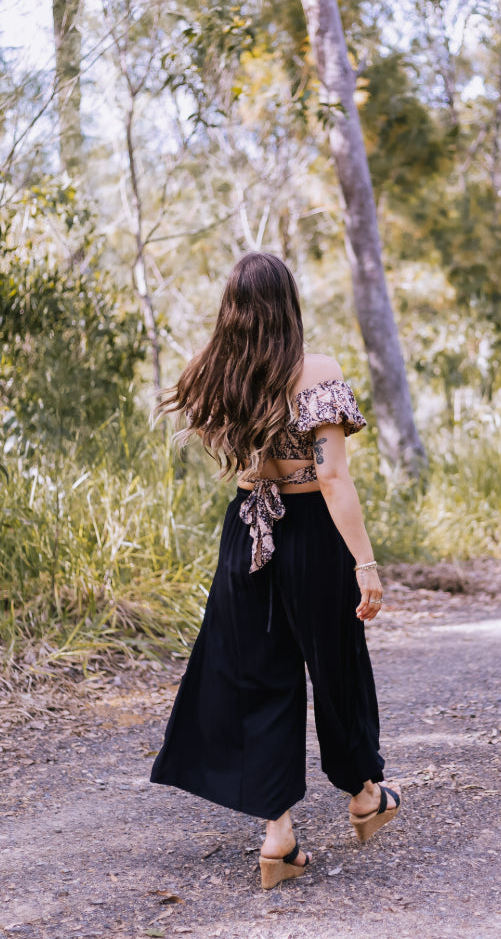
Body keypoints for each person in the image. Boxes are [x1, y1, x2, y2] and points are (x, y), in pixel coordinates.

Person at [150, 252, 400, 889]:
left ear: (232, 308)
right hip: (312, 533)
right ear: (288, 302)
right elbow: (332, 477)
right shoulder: (316, 372)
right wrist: (365, 563)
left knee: (258, 677)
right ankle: (365, 796)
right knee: (335, 661)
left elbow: (238, 463)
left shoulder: (217, 375)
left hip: (247, 534)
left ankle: (277, 837)